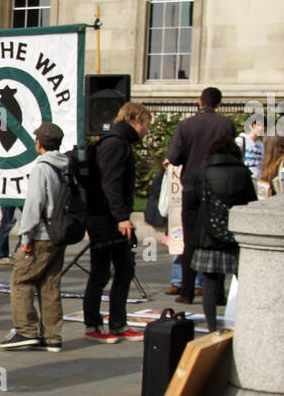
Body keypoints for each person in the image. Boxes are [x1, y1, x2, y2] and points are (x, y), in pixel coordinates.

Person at [82, 101, 152, 342]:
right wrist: (122, 217)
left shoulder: (120, 142)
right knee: (100, 273)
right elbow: (109, 183)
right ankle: (92, 326)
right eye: (146, 125)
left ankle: (118, 324)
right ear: (136, 119)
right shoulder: (114, 144)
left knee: (124, 270)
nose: (147, 131)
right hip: (104, 218)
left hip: (112, 217)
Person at [1, 124, 69, 351]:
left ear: (39, 143)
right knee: (50, 284)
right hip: (58, 233)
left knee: (20, 280)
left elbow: (33, 205)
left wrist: (26, 237)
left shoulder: (42, 168)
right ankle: (52, 336)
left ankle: (25, 330)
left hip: (40, 234)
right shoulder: (65, 166)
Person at [166, 88, 236, 304]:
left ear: (199, 101)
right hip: (219, 185)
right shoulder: (226, 125)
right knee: (220, 237)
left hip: (192, 186)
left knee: (191, 241)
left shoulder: (185, 125)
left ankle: (187, 291)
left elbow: (175, 158)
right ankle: (216, 293)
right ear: (219, 104)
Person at [192, 135, 256, 332]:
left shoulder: (202, 173)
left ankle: (212, 326)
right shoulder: (243, 173)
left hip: (208, 235)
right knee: (243, 278)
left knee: (210, 282)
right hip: (235, 234)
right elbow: (250, 202)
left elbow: (195, 201)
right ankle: (247, 322)